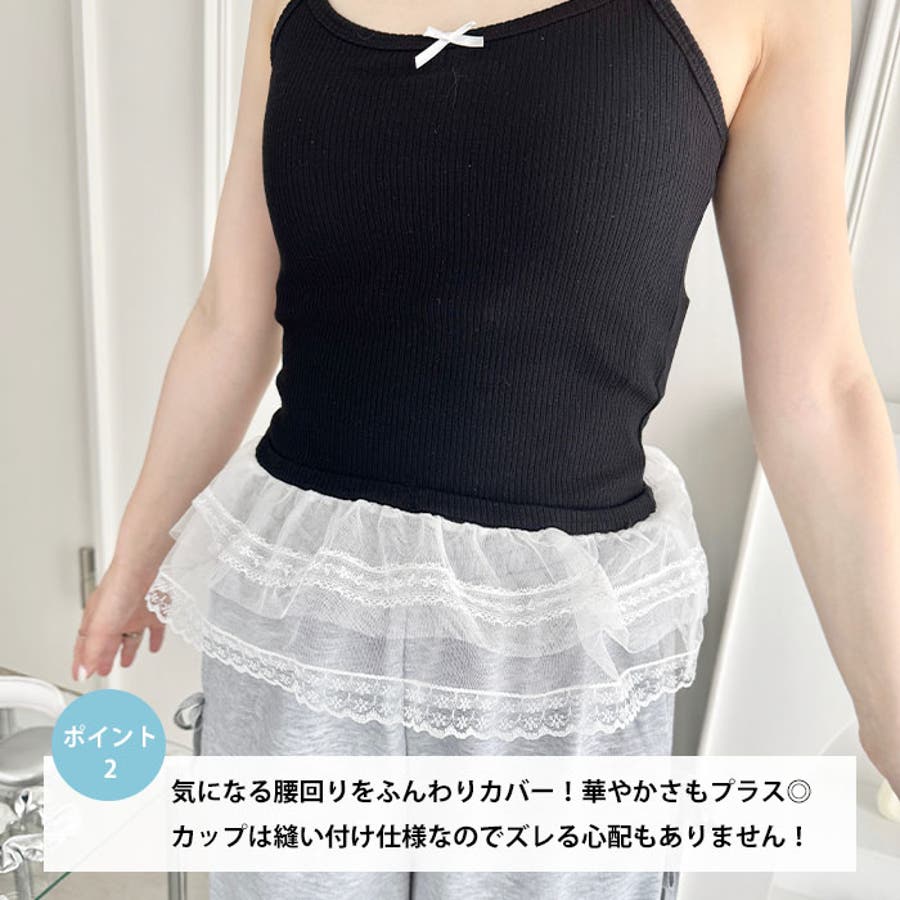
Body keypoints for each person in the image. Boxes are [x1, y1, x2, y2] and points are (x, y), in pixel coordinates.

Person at [72, 0, 900, 898]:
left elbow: (818, 389)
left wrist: (889, 709)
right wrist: (135, 558)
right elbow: (230, 319)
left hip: (550, 651)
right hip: (302, 615)